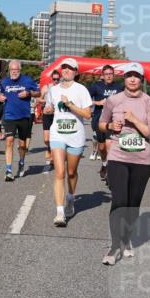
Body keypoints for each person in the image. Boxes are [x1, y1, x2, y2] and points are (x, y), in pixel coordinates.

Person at [99, 62, 150, 264]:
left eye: (136, 76)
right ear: (123, 79)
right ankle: (115, 246)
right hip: (118, 156)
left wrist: (134, 119)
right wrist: (109, 125)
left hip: (141, 159)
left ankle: (126, 240)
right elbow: (100, 124)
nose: (132, 79)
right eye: (129, 76)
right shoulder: (113, 100)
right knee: (119, 201)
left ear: (142, 80)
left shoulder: (149, 102)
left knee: (133, 205)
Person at [44, 58, 93, 226]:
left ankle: (71, 198)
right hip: (58, 134)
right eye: (64, 68)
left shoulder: (81, 90)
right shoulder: (53, 90)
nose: (66, 71)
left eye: (70, 69)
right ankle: (59, 213)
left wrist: (70, 104)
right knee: (59, 173)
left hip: (75, 136)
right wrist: (48, 109)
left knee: (71, 173)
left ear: (76, 72)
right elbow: (49, 107)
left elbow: (87, 115)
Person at [0, 60, 40, 181]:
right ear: (9, 70)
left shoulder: (27, 80)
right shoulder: (5, 82)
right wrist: (0, 97)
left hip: (24, 116)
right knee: (9, 141)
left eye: (16, 70)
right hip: (9, 116)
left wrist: (28, 93)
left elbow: (38, 93)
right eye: (12, 70)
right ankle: (9, 170)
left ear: (20, 70)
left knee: (22, 145)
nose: (14, 72)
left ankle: (21, 162)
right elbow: (0, 94)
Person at [88, 64, 124, 181]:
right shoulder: (96, 86)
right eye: (106, 74)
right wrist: (98, 103)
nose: (109, 76)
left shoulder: (119, 87)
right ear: (102, 75)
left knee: (110, 146)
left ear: (113, 75)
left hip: (113, 121)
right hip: (99, 121)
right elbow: (85, 99)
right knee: (102, 148)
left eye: (111, 74)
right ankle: (104, 164)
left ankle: (111, 171)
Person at [39, 69, 61, 173]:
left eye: (58, 79)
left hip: (57, 115)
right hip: (47, 114)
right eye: (54, 79)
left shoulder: (62, 88)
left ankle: (52, 158)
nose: (56, 81)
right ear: (51, 78)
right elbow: (40, 99)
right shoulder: (46, 87)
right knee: (46, 139)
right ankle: (49, 148)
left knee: (55, 137)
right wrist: (46, 103)